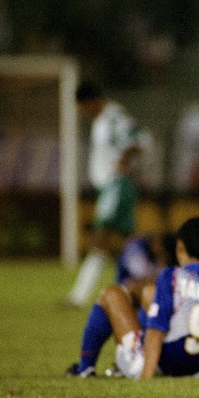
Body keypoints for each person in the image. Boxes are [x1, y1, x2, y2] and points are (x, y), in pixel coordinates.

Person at [66, 216, 199, 380]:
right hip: (194, 370)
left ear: (180, 246)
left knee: (112, 294)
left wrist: (146, 377)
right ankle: (119, 366)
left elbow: (156, 333)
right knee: (149, 293)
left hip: (160, 365)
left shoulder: (172, 277)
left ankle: (85, 369)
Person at [65, 82, 145, 307]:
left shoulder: (113, 117)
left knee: (100, 238)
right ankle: (144, 290)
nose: (79, 111)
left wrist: (123, 161)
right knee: (128, 242)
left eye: (80, 105)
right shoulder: (102, 121)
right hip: (112, 186)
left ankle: (79, 297)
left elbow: (139, 139)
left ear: (90, 101)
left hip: (115, 186)